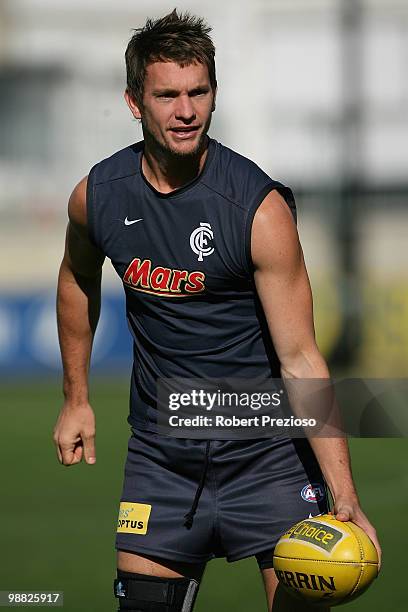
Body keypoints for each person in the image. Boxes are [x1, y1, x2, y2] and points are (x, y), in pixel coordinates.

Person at [53, 9, 381, 612]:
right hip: (163, 457)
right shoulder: (97, 196)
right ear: (134, 102)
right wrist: (76, 397)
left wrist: (346, 496)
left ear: (214, 94)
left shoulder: (258, 209)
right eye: (167, 94)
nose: (185, 111)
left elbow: (301, 357)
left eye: (198, 92)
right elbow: (76, 275)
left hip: (270, 458)